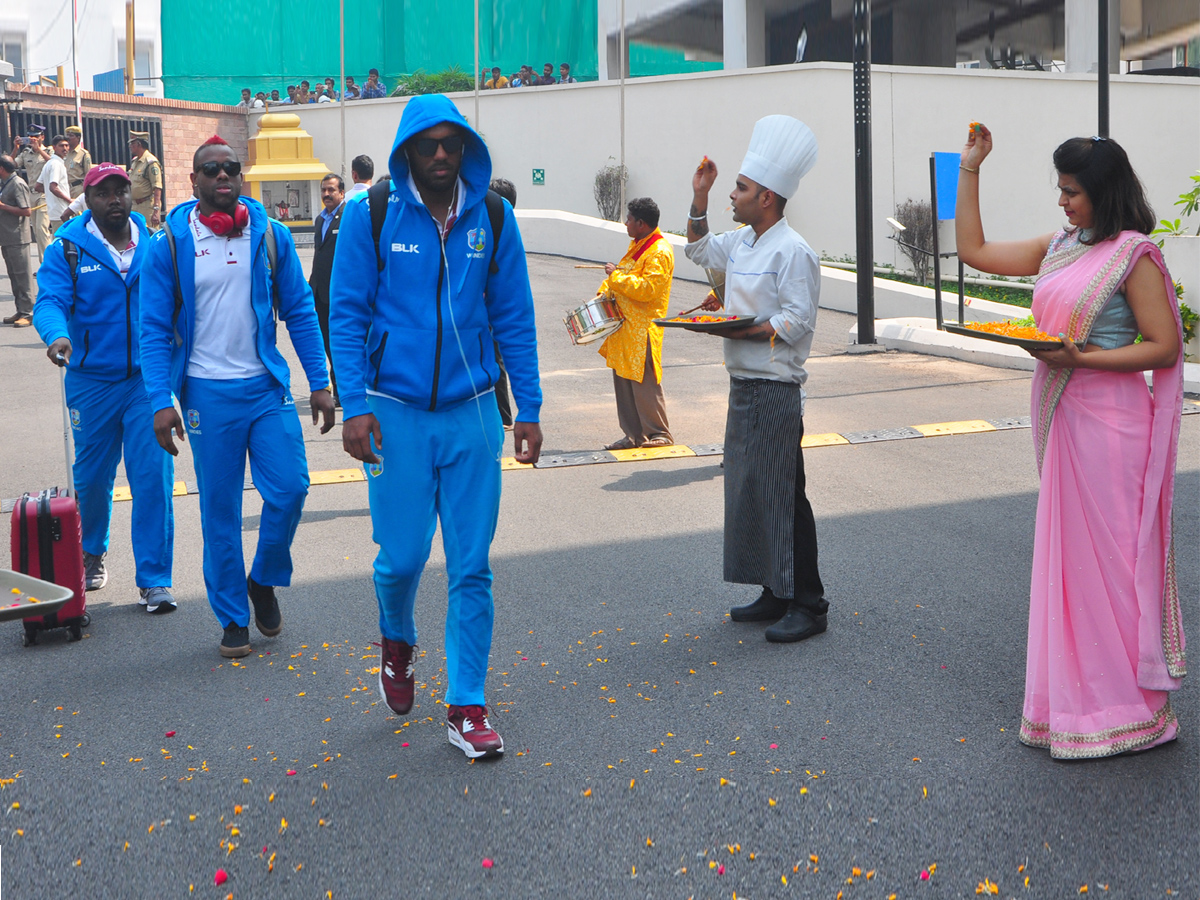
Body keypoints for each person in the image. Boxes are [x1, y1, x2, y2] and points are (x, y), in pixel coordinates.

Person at [955, 126, 1186, 758]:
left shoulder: (1132, 254)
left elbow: (1162, 345)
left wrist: (1081, 359)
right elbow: (973, 249)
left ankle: (1132, 711)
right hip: (1067, 417)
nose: (1062, 202)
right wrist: (971, 168)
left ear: (1103, 193)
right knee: (1070, 567)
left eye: (1072, 192)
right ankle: (1075, 704)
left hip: (1114, 423)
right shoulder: (1061, 245)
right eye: (1059, 190)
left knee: (1112, 566)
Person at [329, 94, 543, 759]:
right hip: (393, 414)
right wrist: (354, 404)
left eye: (453, 144)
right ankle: (396, 638)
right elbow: (345, 313)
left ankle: (468, 704)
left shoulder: (495, 219)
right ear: (409, 152)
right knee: (400, 562)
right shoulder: (373, 214)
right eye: (430, 145)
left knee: (471, 566)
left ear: (467, 150)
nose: (442, 155)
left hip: (474, 412)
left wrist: (528, 407)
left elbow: (515, 318)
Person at [139, 136, 335, 658]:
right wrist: (161, 399)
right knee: (220, 512)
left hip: (265, 389)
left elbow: (299, 311)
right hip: (206, 395)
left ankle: (263, 578)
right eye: (211, 169)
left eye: (231, 168)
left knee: (291, 489)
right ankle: (232, 617)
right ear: (194, 181)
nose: (223, 176)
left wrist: (318, 381)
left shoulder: (270, 236)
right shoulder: (169, 244)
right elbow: (154, 327)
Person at [684, 115, 827, 644]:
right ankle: (775, 589)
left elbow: (797, 321)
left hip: (775, 387)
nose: (733, 196)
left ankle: (808, 603)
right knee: (752, 492)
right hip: (742, 384)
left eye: (739, 189)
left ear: (767, 197)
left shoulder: (794, 251)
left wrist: (737, 329)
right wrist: (698, 196)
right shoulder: (743, 242)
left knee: (784, 494)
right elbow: (698, 249)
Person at [33, 162, 176, 609]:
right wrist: (57, 335)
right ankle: (92, 552)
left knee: (153, 476)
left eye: (121, 191)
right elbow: (50, 300)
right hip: (90, 382)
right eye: (103, 193)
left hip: (147, 381)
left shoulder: (155, 245)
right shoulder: (67, 249)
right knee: (93, 480)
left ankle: (155, 578)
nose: (114, 199)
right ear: (88, 199)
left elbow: (177, 303)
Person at [596, 197, 674, 450]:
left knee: (645, 385)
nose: (626, 223)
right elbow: (622, 275)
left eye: (628, 219)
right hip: (625, 329)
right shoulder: (638, 246)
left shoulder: (659, 252)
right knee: (624, 383)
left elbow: (648, 289)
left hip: (643, 331)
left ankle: (659, 433)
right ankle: (633, 435)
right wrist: (603, 292)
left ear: (641, 223)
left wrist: (615, 277)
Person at [310, 173, 344, 405]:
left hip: (341, 294)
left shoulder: (350, 216)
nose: (326, 194)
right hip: (320, 295)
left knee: (342, 342)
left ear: (342, 192)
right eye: (323, 190)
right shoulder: (320, 220)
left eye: (331, 190)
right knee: (327, 344)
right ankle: (338, 386)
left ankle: (345, 390)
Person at [0, 155, 35, 326]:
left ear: (2, 169)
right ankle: (20, 309)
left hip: (18, 237)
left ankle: (28, 312)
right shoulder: (5, 184)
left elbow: (26, 210)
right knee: (14, 276)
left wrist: (3, 206)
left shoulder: (18, 184)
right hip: (7, 236)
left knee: (23, 276)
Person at [14, 125, 52, 261]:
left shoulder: (49, 151)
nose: (33, 139)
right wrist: (16, 148)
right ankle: (44, 264)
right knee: (36, 230)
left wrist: (39, 150)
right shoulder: (26, 153)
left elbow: (54, 163)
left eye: (36, 137)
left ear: (42, 137)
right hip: (31, 194)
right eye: (30, 137)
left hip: (44, 194)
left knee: (42, 230)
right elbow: (11, 164)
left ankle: (48, 264)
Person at [127, 131, 162, 232]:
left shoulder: (151, 162)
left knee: (149, 234)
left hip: (146, 207)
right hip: (134, 206)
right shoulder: (135, 162)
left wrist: (156, 211)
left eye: (132, 144)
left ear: (139, 144)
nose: (130, 146)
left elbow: (157, 187)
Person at [37, 135, 72, 236]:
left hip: (55, 210)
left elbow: (38, 186)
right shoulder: (56, 164)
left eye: (66, 145)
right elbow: (53, 187)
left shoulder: (49, 163)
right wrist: (69, 200)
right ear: (54, 147)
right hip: (60, 210)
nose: (65, 148)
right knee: (61, 241)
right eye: (61, 146)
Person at [64, 126, 93, 199]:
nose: (68, 138)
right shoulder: (64, 153)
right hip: (65, 189)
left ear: (78, 138)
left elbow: (88, 174)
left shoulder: (83, 154)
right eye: (67, 135)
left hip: (77, 189)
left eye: (71, 136)